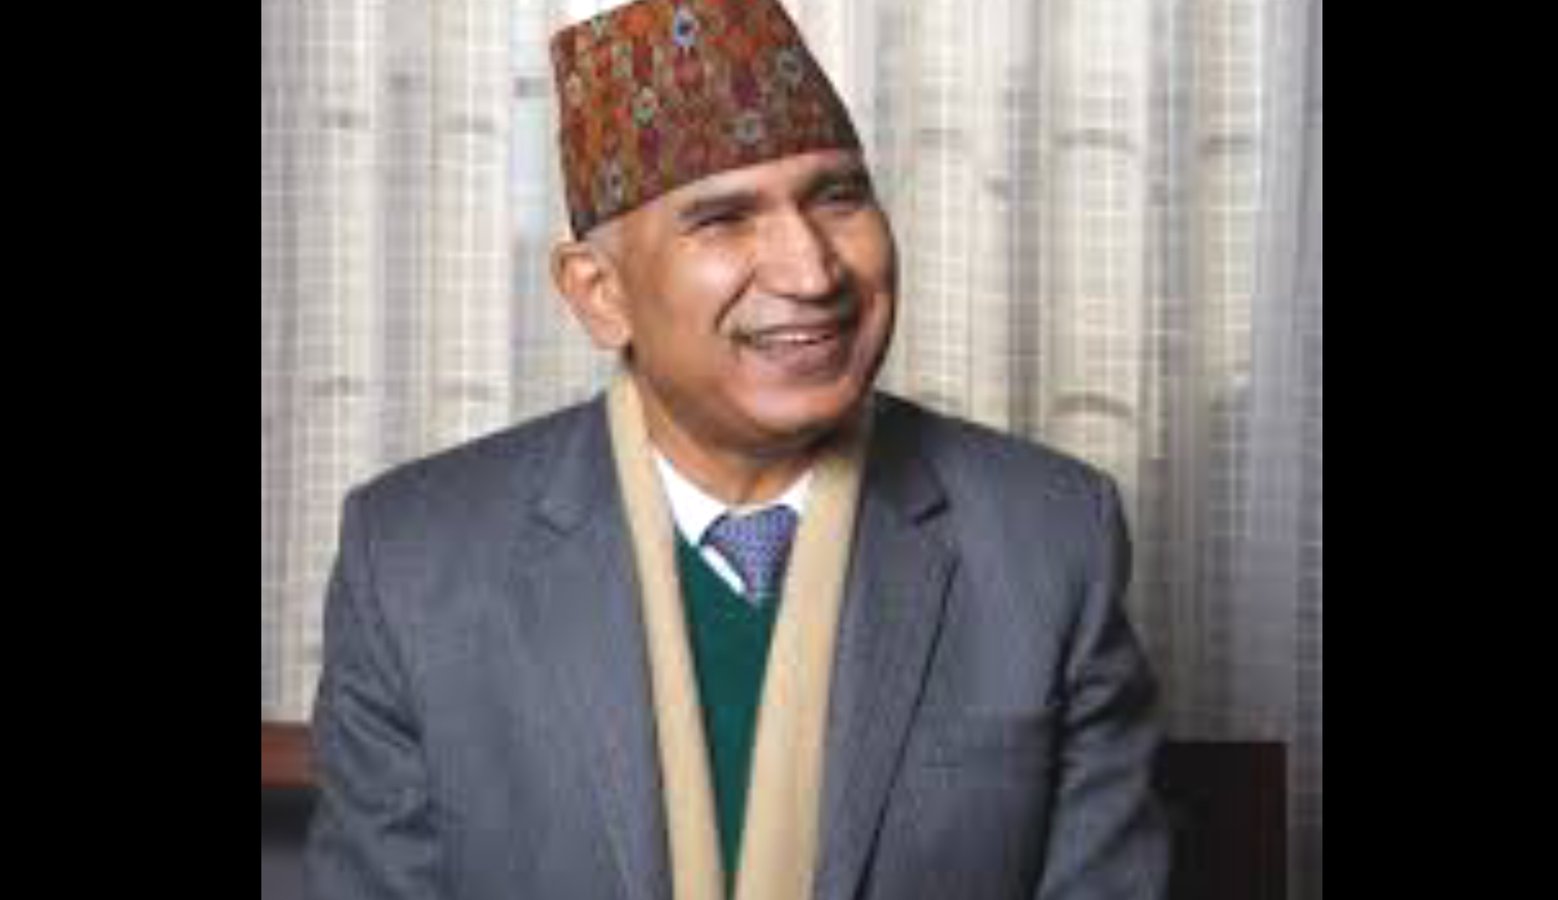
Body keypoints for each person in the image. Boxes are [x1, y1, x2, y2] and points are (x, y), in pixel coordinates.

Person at [305, 0, 1169, 898]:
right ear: (600, 294)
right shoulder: (413, 561)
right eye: (722, 219)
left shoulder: (1048, 539)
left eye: (838, 197)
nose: (812, 271)